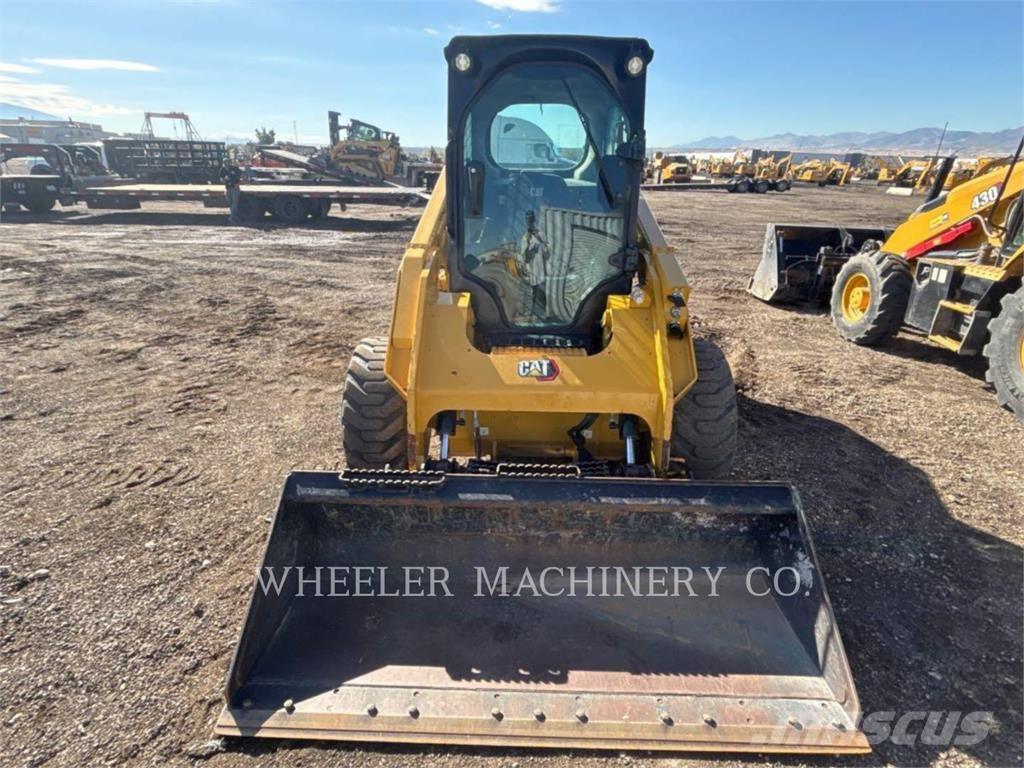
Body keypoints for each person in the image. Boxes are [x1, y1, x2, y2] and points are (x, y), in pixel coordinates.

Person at [219, 159, 243, 224]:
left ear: (229, 163)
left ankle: (231, 218)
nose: (226, 163)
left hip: (235, 188)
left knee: (234, 203)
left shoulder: (234, 168)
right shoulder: (222, 169)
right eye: (224, 162)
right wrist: (224, 179)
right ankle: (235, 217)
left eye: (227, 162)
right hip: (227, 188)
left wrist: (239, 181)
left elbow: (241, 174)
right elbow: (221, 178)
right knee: (230, 203)